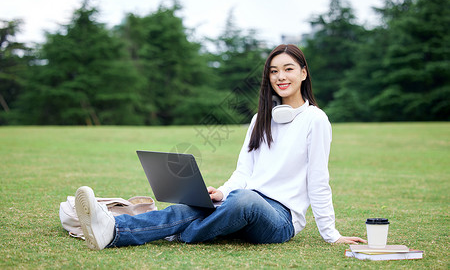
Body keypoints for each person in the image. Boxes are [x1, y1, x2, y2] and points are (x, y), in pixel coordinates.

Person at [74, 44, 366, 250]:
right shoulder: (259, 119)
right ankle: (114, 229)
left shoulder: (315, 119)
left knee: (243, 199)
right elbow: (244, 171)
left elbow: (318, 180)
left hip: (280, 220)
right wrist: (221, 192)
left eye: (288, 69)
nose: (281, 77)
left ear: (303, 73)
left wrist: (331, 234)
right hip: (241, 201)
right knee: (202, 203)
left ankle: (174, 232)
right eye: (274, 71)